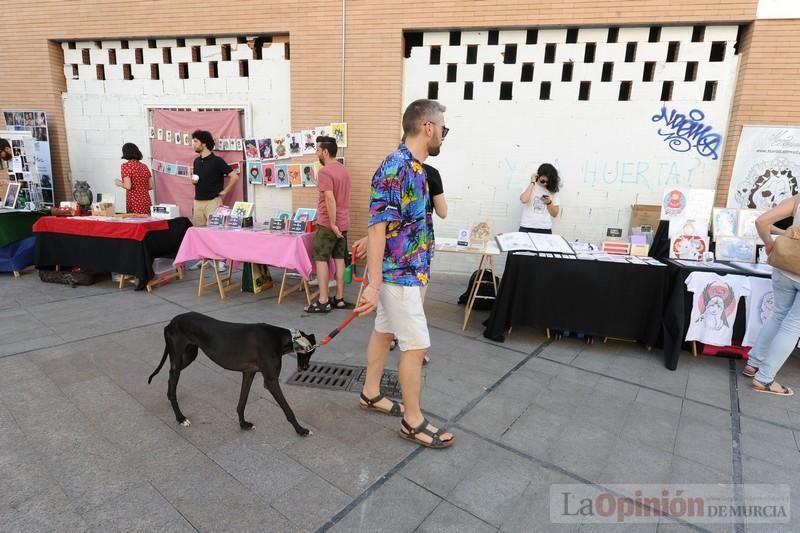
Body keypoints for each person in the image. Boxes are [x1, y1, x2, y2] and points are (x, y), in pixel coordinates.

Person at [354, 99, 454, 449]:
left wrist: (372, 237)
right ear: (428, 127)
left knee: (384, 332)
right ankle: (412, 422)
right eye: (443, 128)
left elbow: (394, 220)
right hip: (400, 276)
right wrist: (374, 283)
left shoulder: (413, 168)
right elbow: (380, 226)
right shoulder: (398, 167)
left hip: (405, 272)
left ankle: (369, 393)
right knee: (416, 345)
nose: (444, 134)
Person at [742, 193, 800, 396]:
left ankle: (754, 363)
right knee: (794, 326)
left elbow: (762, 221)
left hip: (785, 266)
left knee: (778, 315)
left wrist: (769, 242)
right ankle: (765, 379)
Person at [305, 135, 352, 313]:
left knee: (321, 259)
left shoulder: (325, 172)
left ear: (325, 151)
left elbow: (330, 199)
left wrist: (332, 224)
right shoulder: (343, 170)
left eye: (317, 149)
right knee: (340, 259)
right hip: (344, 222)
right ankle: (339, 298)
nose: (316, 153)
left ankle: (323, 300)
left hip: (328, 224)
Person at [190, 130, 240, 271]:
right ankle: (202, 259)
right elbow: (198, 178)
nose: (193, 144)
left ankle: (220, 261)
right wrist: (194, 182)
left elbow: (234, 176)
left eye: (195, 141)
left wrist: (225, 191)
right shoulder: (196, 161)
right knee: (200, 232)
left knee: (215, 232)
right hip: (198, 201)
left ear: (204, 143)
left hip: (213, 201)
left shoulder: (217, 161)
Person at [518, 163, 561, 233]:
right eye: (543, 181)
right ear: (538, 175)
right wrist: (532, 182)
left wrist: (549, 203)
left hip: (545, 228)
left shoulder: (553, 190)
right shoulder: (530, 185)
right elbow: (524, 200)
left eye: (548, 182)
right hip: (526, 227)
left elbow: (555, 214)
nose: (545, 184)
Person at [115, 143, 153, 214]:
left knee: (135, 222)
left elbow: (128, 186)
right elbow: (151, 186)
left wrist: (119, 183)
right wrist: (141, 189)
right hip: (146, 199)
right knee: (147, 222)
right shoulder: (144, 166)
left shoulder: (126, 166)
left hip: (134, 201)